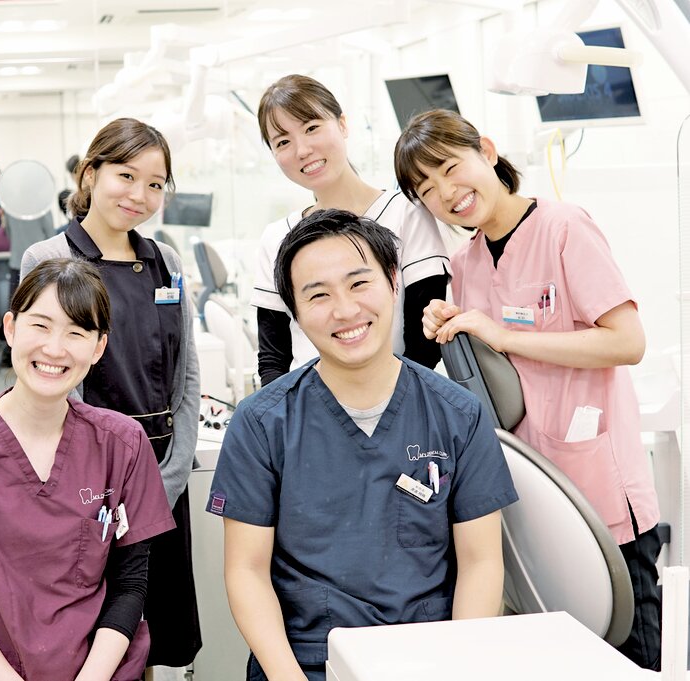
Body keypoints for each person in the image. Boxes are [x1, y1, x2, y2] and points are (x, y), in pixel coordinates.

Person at [394, 108, 662, 669]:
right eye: (427, 187)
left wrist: (500, 333)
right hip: (531, 492)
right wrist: (453, 330)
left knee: (633, 659)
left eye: (450, 166)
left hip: (599, 487)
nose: (446, 191)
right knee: (567, 658)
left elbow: (626, 341)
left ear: (486, 151)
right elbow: (495, 381)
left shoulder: (564, 226)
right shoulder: (465, 262)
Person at [207, 208, 518, 681]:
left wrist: (458, 664)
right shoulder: (262, 423)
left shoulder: (458, 414)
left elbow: (480, 561)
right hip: (309, 662)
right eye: (318, 294)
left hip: (430, 657)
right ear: (294, 309)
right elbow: (245, 571)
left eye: (358, 284)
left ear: (394, 282)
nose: (345, 310)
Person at [0, 258, 176, 680]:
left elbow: (130, 585)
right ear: (10, 328)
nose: (54, 348)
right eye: (41, 325)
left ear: (99, 346)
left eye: (76, 332)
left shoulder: (123, 444)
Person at [21, 118, 202, 672]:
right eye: (126, 175)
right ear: (91, 173)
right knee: (94, 630)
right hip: (88, 475)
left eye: (155, 184)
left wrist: (167, 481)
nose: (139, 195)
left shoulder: (164, 260)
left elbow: (187, 375)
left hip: (163, 470)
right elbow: (45, 374)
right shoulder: (50, 258)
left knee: (154, 628)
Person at [252, 74, 451, 385]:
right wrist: (277, 418)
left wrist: (396, 408)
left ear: (342, 124)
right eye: (283, 142)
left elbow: (424, 342)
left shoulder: (406, 212)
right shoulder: (277, 237)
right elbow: (273, 356)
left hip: (395, 399)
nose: (302, 150)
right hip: (308, 409)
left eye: (312, 128)